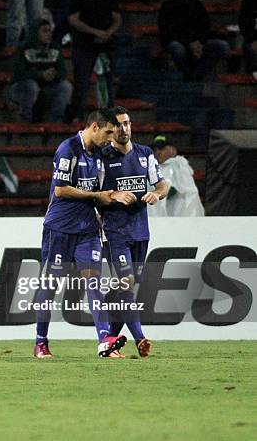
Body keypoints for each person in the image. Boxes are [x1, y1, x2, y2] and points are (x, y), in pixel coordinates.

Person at [33, 108, 127, 359]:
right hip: (60, 229)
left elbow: (103, 185)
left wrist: (113, 198)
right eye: (108, 132)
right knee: (51, 286)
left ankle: (104, 341)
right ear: (94, 127)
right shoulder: (68, 149)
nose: (110, 138)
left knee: (94, 282)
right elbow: (61, 190)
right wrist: (97, 196)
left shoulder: (100, 154)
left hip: (87, 231)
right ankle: (40, 342)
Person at [99, 106, 169, 357]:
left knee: (125, 289)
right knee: (126, 284)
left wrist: (156, 194)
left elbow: (163, 185)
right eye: (118, 124)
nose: (124, 128)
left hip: (140, 231)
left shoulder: (144, 153)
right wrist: (113, 196)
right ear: (111, 129)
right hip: (114, 232)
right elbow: (94, 195)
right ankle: (140, 338)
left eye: (127, 123)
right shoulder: (103, 158)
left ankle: (108, 339)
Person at [65, 0, 121, 122]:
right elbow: (73, 19)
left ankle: (109, 116)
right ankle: (76, 116)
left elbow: (117, 18)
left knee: (108, 84)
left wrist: (108, 33)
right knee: (81, 83)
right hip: (83, 45)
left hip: (106, 46)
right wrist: (96, 32)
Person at [9, 19, 73, 123]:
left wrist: (53, 74)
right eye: (44, 31)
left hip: (46, 88)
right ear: (35, 32)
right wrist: (39, 75)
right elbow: (18, 73)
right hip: (23, 88)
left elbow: (63, 72)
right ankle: (25, 121)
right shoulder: (23, 48)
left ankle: (55, 122)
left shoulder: (55, 48)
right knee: (31, 86)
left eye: (49, 31)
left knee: (66, 86)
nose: (48, 34)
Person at [157, 0, 230, 81]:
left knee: (222, 46)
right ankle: (187, 74)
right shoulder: (167, 5)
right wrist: (190, 43)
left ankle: (198, 73)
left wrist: (199, 42)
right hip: (177, 42)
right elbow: (168, 32)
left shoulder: (197, 4)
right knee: (177, 48)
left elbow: (205, 27)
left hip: (196, 42)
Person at [150, 134, 204, 217]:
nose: (158, 152)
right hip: (170, 216)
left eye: (162, 148)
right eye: (155, 149)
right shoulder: (155, 166)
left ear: (173, 150)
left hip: (183, 214)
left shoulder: (178, 164)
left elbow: (173, 189)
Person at [239, 0, 257, 76]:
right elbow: (245, 26)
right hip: (253, 40)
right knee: (253, 51)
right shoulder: (250, 1)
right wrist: (253, 39)